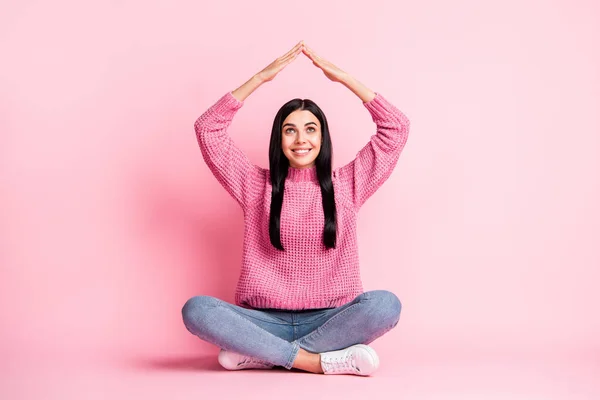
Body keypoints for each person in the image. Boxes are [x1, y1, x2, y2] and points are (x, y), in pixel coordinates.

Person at [181, 40, 411, 376]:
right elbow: (208, 129)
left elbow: (396, 128)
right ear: (279, 139)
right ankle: (314, 361)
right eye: (290, 130)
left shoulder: (348, 183)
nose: (301, 139)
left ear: (322, 137)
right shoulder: (253, 184)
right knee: (196, 310)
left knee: (385, 305)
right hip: (264, 320)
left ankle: (262, 354)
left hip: (332, 318)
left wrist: (345, 79)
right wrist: (259, 79)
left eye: (310, 129)